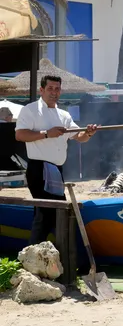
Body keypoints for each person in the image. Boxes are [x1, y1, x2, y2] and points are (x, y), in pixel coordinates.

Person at [15, 75, 99, 245]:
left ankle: (47, 256)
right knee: (49, 212)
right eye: (50, 88)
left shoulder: (64, 115)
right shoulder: (30, 110)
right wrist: (46, 133)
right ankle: (38, 257)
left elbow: (79, 137)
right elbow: (20, 135)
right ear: (42, 90)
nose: (54, 92)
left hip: (57, 169)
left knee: (48, 213)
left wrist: (89, 132)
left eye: (57, 89)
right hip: (39, 168)